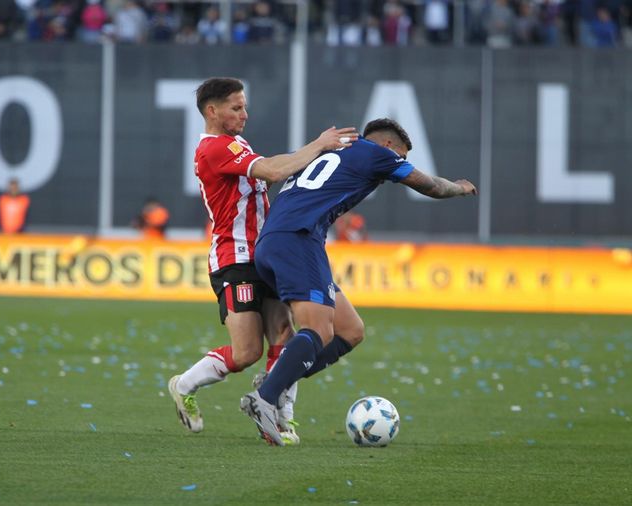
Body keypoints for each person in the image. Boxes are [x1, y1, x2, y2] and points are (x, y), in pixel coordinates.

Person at [240, 118, 477, 446]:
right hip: (298, 238)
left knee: (350, 329)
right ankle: (265, 398)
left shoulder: (331, 149)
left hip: (274, 242)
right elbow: (432, 186)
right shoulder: (375, 153)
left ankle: (277, 380)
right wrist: (459, 188)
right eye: (402, 158)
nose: (399, 167)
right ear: (390, 147)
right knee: (319, 331)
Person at [167, 76, 357, 445]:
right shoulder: (213, 148)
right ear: (212, 111)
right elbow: (271, 170)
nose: (245, 114)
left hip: (268, 254)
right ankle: (184, 384)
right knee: (247, 352)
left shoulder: (237, 143)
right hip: (233, 259)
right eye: (236, 108)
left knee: (286, 335)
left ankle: (279, 420)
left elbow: (270, 174)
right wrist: (319, 145)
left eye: (244, 106)